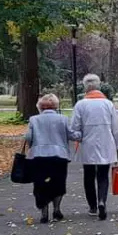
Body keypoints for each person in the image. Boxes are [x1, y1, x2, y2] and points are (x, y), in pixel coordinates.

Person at [70, 74, 118, 220]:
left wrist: (78, 137)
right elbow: (115, 128)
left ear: (85, 87)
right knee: (103, 175)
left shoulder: (80, 105)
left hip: (87, 144)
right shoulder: (108, 104)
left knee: (88, 176)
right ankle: (102, 201)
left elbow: (74, 127)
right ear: (99, 86)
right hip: (106, 144)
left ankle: (93, 206)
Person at [24, 93, 79, 224]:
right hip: (59, 155)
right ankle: (56, 209)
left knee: (40, 183)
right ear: (56, 106)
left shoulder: (34, 120)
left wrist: (33, 146)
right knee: (58, 182)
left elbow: (28, 138)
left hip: (39, 156)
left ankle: (44, 212)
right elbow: (72, 135)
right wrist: (82, 134)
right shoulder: (63, 119)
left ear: (40, 106)